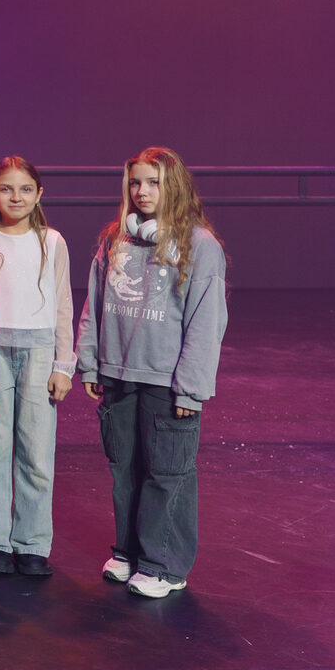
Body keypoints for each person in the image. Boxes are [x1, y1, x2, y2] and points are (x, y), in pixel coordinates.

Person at [77, 147, 228, 599]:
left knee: (167, 473)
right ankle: (129, 552)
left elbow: (206, 322)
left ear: (174, 186)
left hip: (167, 381)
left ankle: (164, 565)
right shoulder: (114, 239)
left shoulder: (201, 245)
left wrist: (191, 389)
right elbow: (93, 304)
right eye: (135, 182)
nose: (142, 191)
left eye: (153, 182)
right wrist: (90, 360)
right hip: (119, 375)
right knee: (124, 470)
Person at [0, 158, 74, 578]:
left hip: (40, 351)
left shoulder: (52, 241)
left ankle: (31, 542)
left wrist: (64, 364)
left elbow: (63, 303)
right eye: (6, 189)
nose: (16, 197)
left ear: (39, 194)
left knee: (36, 452)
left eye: (26, 189)